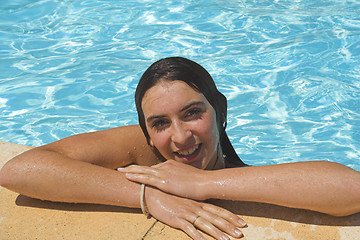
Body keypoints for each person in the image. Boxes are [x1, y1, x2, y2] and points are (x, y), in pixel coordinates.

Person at [0, 57, 359, 240]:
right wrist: (148, 196)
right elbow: (20, 170)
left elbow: (352, 189)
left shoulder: (237, 172)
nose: (180, 137)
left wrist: (204, 185)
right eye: (159, 123)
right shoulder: (145, 150)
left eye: (192, 113)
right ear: (146, 131)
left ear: (220, 110)